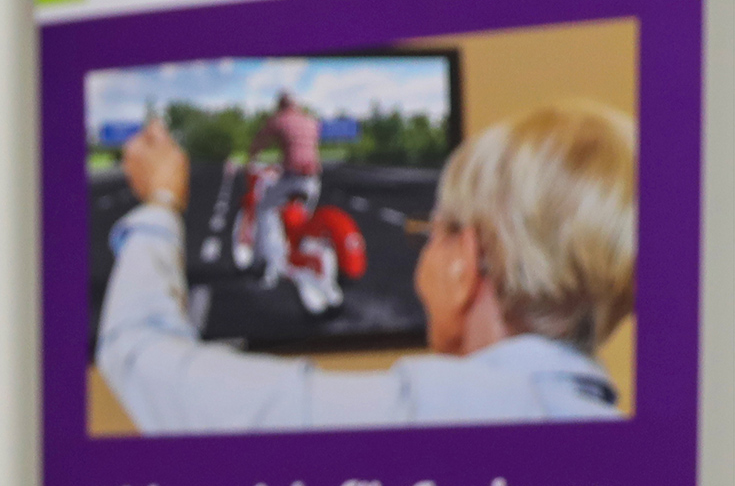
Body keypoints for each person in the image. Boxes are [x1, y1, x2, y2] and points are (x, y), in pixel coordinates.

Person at [98, 100, 633, 433]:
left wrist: (162, 199)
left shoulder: (409, 417)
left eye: (434, 230)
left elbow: (137, 353)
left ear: (464, 262)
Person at [242, 90, 325, 274]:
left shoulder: (279, 120)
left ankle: (263, 262)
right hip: (312, 180)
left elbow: (259, 143)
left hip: (291, 179)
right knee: (302, 220)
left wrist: (250, 160)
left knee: (264, 209)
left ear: (280, 105)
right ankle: (300, 255)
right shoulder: (310, 121)